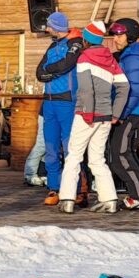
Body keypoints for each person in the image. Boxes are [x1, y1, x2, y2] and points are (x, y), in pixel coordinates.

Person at [57, 23, 127, 213]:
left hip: (87, 115)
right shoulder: (111, 60)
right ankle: (110, 199)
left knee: (74, 157)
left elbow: (86, 89)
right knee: (97, 159)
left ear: (87, 40)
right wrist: (116, 113)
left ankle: (67, 199)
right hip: (105, 116)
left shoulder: (84, 58)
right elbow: (124, 87)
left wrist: (87, 113)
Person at [33, 11, 84, 206]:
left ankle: (74, 188)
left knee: (70, 147)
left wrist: (49, 71)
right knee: (51, 147)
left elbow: (66, 65)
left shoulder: (75, 43)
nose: (46, 29)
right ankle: (53, 187)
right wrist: (48, 72)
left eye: (49, 25)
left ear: (57, 26)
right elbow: (39, 71)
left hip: (67, 100)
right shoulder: (53, 45)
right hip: (49, 101)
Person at [105, 18, 139, 209]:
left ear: (130, 36)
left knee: (120, 155)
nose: (116, 39)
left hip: (128, 113)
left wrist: (121, 114)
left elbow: (135, 89)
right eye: (115, 35)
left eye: (120, 35)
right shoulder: (125, 56)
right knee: (122, 154)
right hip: (121, 112)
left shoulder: (132, 58)